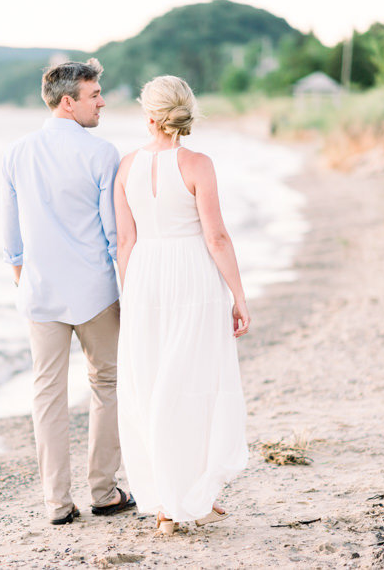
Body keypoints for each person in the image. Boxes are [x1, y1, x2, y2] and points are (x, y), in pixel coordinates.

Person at [113, 75, 250, 536]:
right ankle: (184, 498)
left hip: (145, 277)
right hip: (191, 275)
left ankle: (168, 503)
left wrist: (128, 294)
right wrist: (238, 294)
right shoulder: (198, 164)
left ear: (148, 114)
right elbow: (216, 237)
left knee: (151, 385)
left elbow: (125, 241)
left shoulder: (126, 165)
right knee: (191, 385)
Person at [1, 59, 135, 525]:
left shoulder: (17, 152)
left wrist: (27, 279)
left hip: (40, 293)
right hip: (95, 292)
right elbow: (115, 232)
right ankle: (103, 490)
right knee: (107, 386)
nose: (102, 102)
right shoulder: (101, 154)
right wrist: (129, 285)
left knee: (48, 395)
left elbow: (11, 239)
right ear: (68, 101)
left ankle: (57, 503)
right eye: (94, 94)